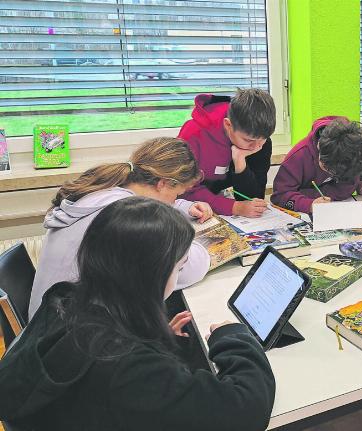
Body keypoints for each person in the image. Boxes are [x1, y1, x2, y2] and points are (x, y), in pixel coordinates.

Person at [0, 197, 275, 431]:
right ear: (152, 273)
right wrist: (233, 336)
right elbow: (246, 410)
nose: (179, 274)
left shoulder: (65, 299)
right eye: (179, 267)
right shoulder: (129, 368)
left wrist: (149, 335)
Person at [29, 137, 212, 318]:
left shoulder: (104, 191)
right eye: (176, 194)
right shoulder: (127, 220)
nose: (174, 201)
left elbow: (158, 203)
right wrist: (203, 249)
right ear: (162, 183)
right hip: (72, 331)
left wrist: (183, 206)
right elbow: (183, 270)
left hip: (46, 320)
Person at [179, 88, 276, 218]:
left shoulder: (258, 140)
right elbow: (183, 189)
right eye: (248, 140)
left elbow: (254, 199)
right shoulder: (193, 134)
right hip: (194, 206)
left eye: (263, 139)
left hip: (219, 203)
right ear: (228, 125)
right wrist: (233, 207)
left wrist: (240, 163)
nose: (256, 147)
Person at [271, 117, 362, 213]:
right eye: (327, 168)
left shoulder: (354, 153)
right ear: (319, 146)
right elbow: (279, 196)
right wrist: (309, 205)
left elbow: (347, 188)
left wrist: (304, 193)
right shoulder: (298, 156)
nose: (332, 174)